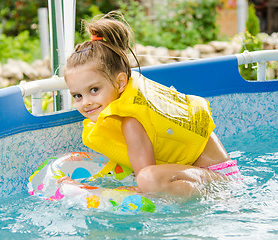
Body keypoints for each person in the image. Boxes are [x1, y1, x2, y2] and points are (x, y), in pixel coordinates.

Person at [60, 12, 242, 198]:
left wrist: (84, 190)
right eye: (77, 95)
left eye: (94, 90)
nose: (86, 102)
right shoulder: (133, 101)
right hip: (212, 175)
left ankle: (211, 196)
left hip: (219, 182)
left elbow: (145, 186)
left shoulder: (132, 121)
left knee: (147, 178)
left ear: (121, 83)